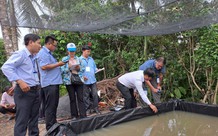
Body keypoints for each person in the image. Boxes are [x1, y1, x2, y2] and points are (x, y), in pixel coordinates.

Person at [1, 34, 41, 136]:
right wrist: (19, 81)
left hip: (36, 90)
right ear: (31, 42)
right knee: (22, 120)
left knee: (34, 119)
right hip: (24, 92)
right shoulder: (21, 54)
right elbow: (6, 67)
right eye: (39, 43)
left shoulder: (34, 56)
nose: (40, 46)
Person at [37, 35, 66, 131]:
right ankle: (50, 128)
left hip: (53, 83)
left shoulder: (48, 54)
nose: (55, 47)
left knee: (53, 105)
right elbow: (44, 66)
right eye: (54, 45)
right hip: (50, 84)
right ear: (49, 44)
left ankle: (54, 124)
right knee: (50, 106)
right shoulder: (43, 53)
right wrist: (59, 63)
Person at [61, 43, 86, 119]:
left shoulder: (79, 59)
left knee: (80, 98)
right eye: (70, 51)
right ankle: (74, 115)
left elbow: (83, 69)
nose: (72, 53)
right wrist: (68, 68)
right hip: (69, 81)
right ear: (67, 51)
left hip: (78, 80)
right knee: (72, 98)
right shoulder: (64, 59)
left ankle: (83, 115)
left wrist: (78, 68)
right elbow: (62, 70)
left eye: (73, 51)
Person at [80, 45, 101, 114]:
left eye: (89, 52)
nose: (88, 53)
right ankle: (87, 109)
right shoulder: (79, 60)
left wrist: (97, 70)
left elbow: (94, 68)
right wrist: (82, 77)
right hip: (85, 81)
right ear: (83, 51)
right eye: (87, 51)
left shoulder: (91, 59)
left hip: (92, 80)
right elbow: (78, 71)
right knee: (86, 96)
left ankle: (96, 108)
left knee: (95, 94)